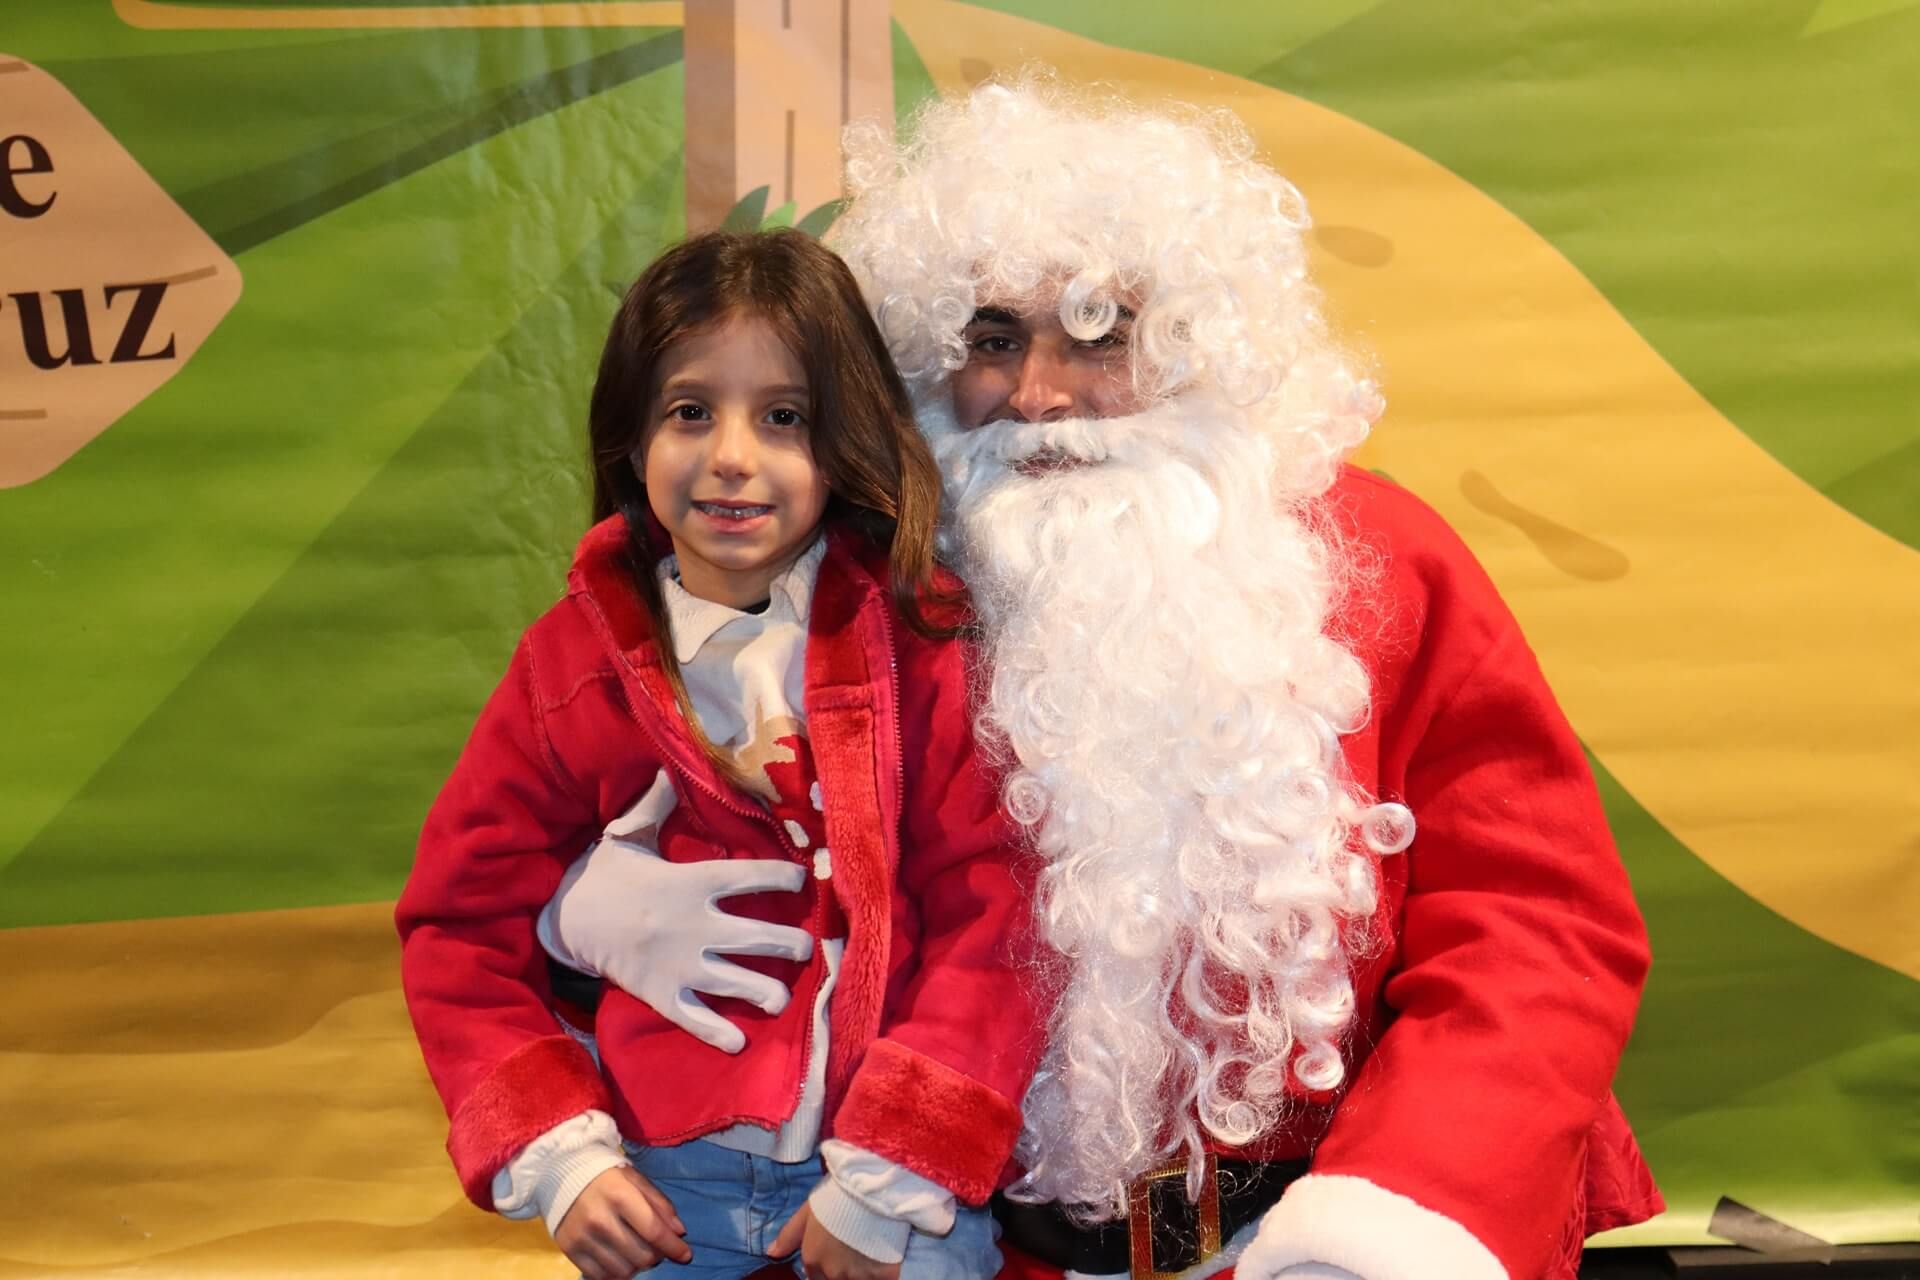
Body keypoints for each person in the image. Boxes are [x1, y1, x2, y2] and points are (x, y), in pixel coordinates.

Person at [547, 78, 1664, 1280]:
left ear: (1196, 343)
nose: (1040, 396)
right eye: (991, 339)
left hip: (1302, 1242)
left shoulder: (1378, 564)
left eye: (1100, 332)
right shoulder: (841, 597)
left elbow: (1535, 932)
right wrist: (577, 930)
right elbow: (535, 865)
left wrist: (1392, 1217)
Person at [396, 229, 1042, 1280]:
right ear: (631, 432)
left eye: (784, 416)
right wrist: (563, 1159)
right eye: (691, 410)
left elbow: (995, 912)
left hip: (887, 1195)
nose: (733, 454)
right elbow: (459, 926)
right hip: (662, 1183)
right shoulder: (571, 664)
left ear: (845, 436)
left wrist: (890, 1176)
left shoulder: (922, 642)